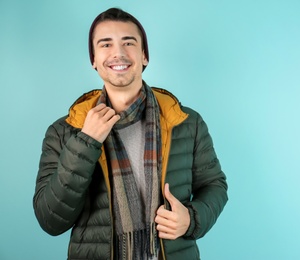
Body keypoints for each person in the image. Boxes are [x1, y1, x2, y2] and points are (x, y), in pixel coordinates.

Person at [33, 7, 228, 260]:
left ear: (144, 55)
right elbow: (51, 220)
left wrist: (191, 219)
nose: (118, 53)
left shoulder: (185, 122)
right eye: (105, 44)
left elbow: (215, 185)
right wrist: (86, 141)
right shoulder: (65, 131)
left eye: (129, 42)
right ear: (93, 59)